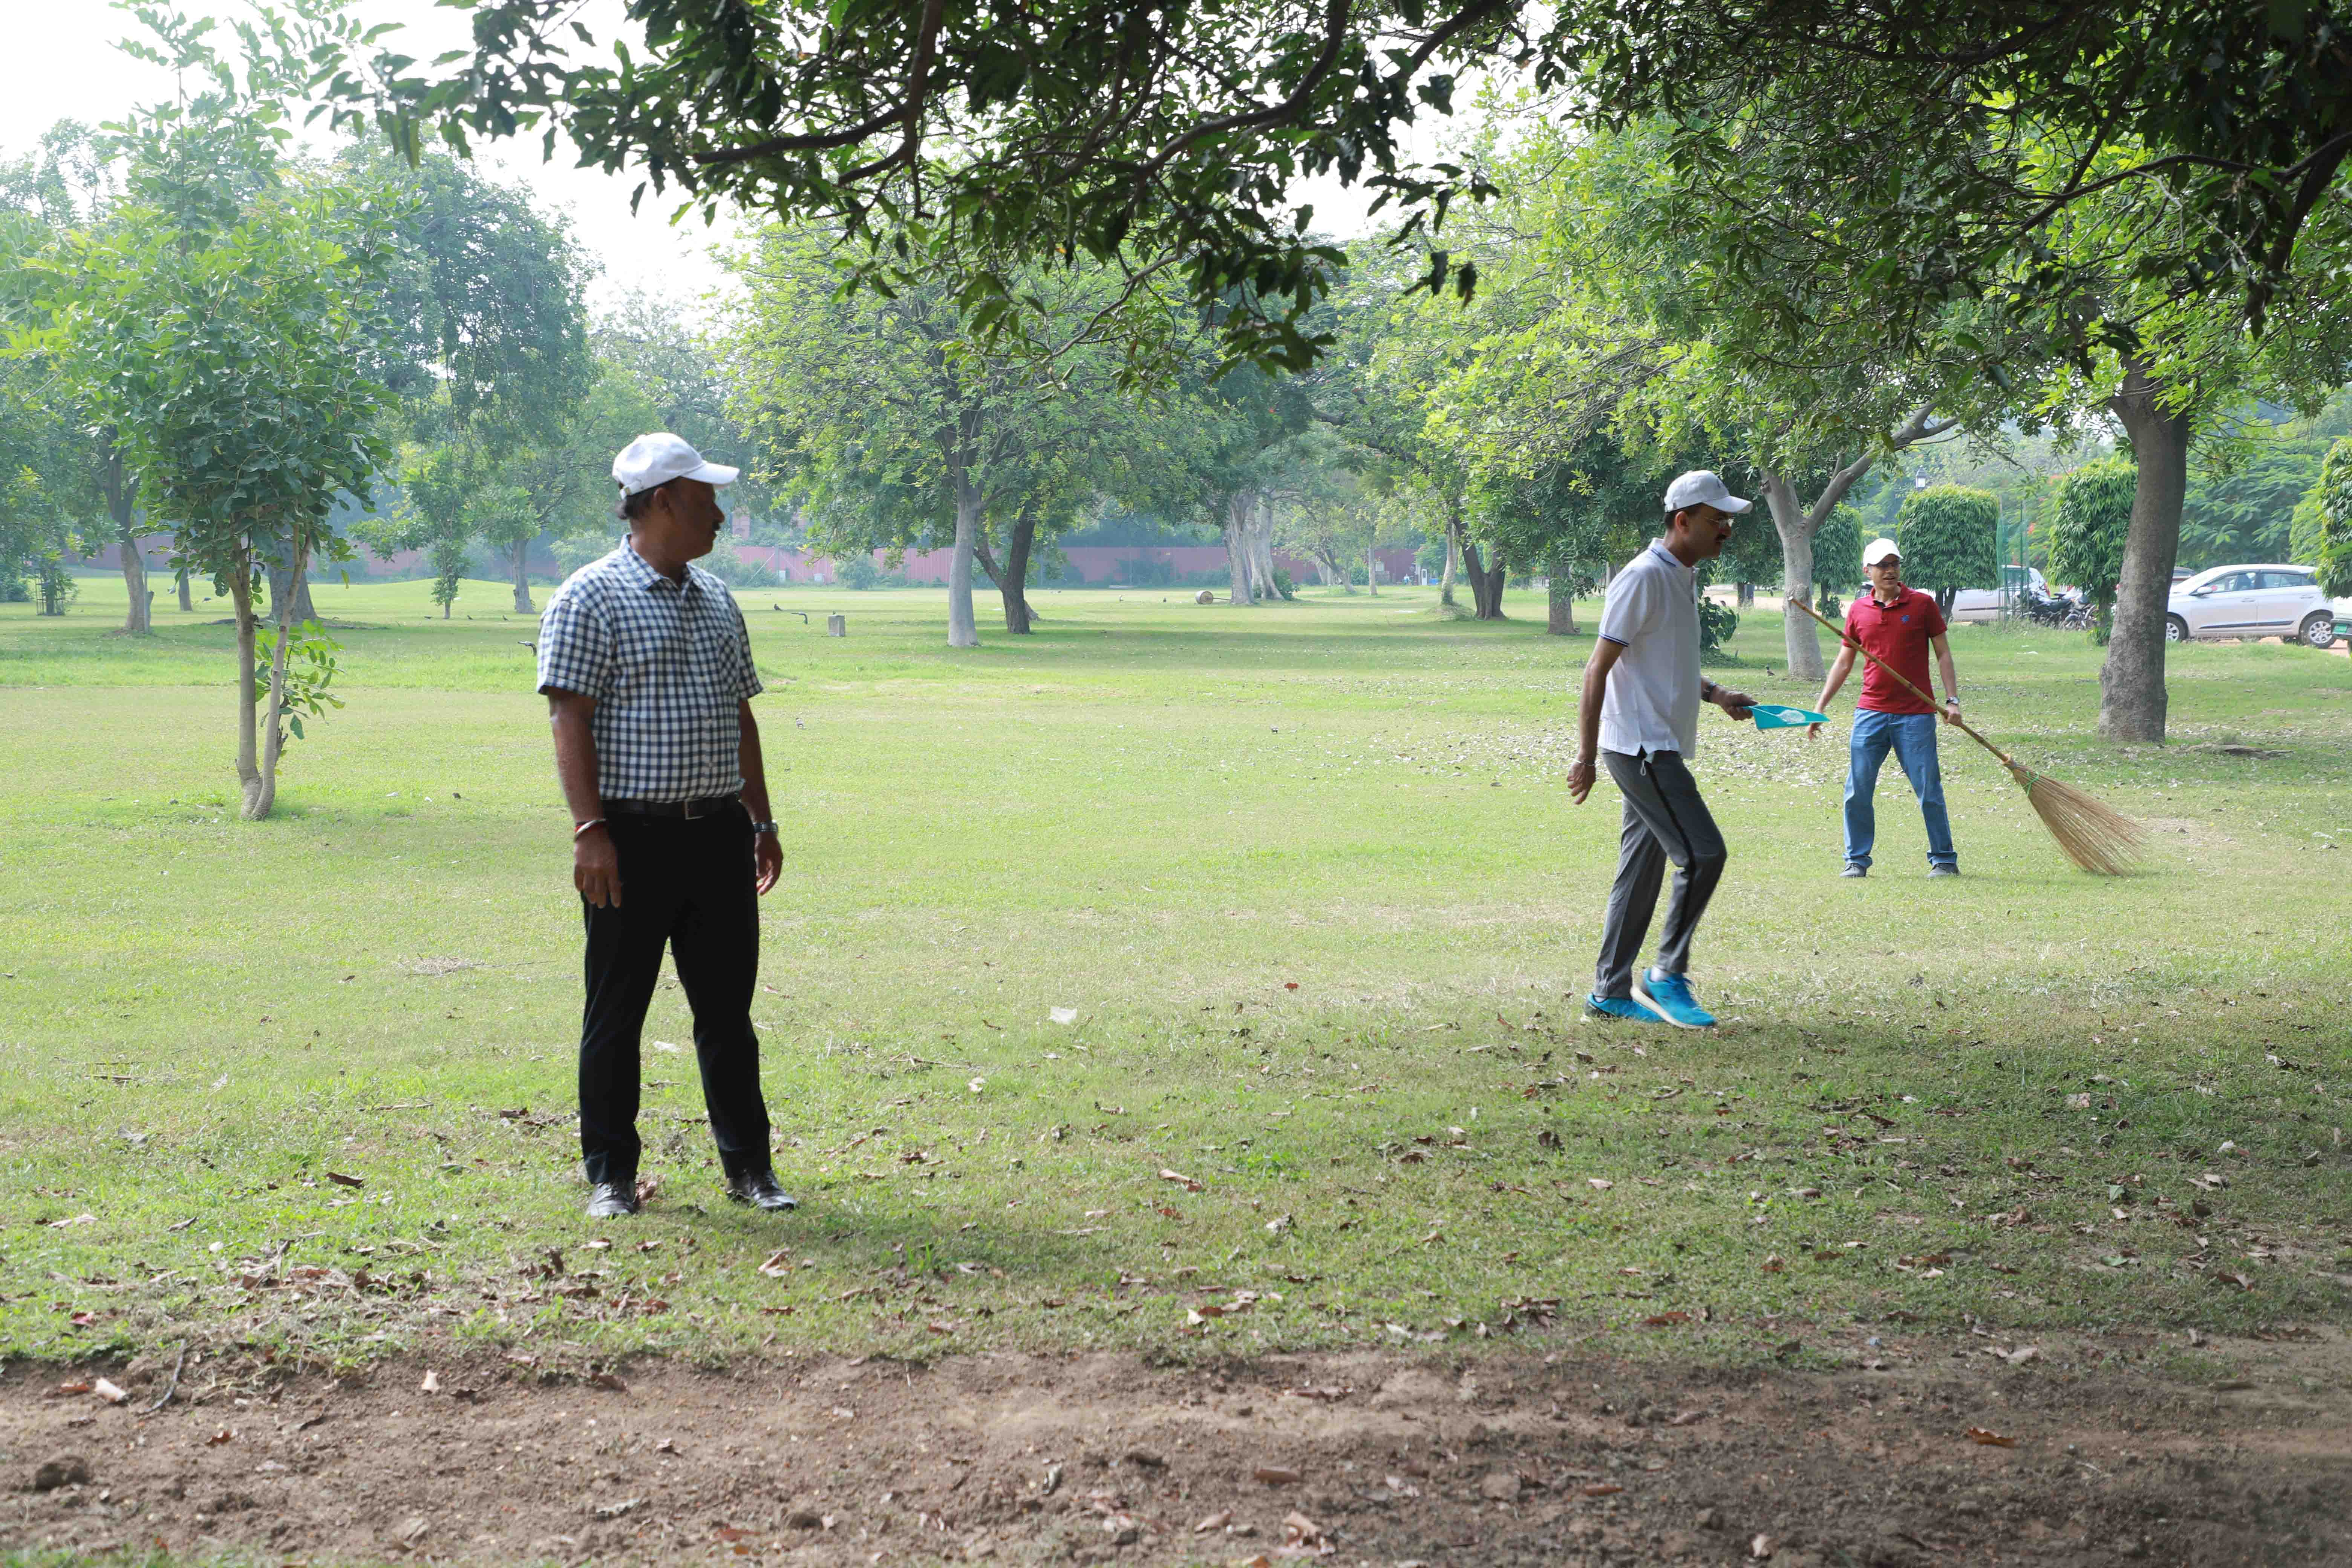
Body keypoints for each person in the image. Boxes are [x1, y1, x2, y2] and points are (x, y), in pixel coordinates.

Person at [535, 433, 795, 1219]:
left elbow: (740, 718)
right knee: (616, 1013)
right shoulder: (590, 597)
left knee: (727, 1014)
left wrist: (761, 819)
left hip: (717, 835)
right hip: (630, 841)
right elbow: (568, 718)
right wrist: (590, 830)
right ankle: (611, 1175)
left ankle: (750, 1169)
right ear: (663, 502)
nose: (719, 514)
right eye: (706, 499)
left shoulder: (717, 599)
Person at [1569, 472, 1757, 1029]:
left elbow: (1662, 664)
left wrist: (1716, 694)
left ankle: (1608, 992)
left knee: (1640, 872)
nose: (1726, 531)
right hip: (1642, 748)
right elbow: (1597, 669)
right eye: (1716, 520)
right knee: (1703, 854)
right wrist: (1585, 757)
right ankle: (1666, 973)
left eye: (1728, 521)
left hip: (1656, 743)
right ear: (1682, 521)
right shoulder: (1643, 577)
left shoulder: (1680, 576)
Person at [1811, 537, 1963, 878]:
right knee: (1858, 791)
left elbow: (1943, 654)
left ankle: (1944, 859)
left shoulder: (1922, 605)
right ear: (1868, 571)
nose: (1890, 570)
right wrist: (1820, 707)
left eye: (1894, 564)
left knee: (1929, 791)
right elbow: (1844, 662)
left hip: (1916, 715)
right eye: (1882, 565)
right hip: (1871, 713)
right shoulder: (1858, 611)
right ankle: (1856, 860)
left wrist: (1952, 701)